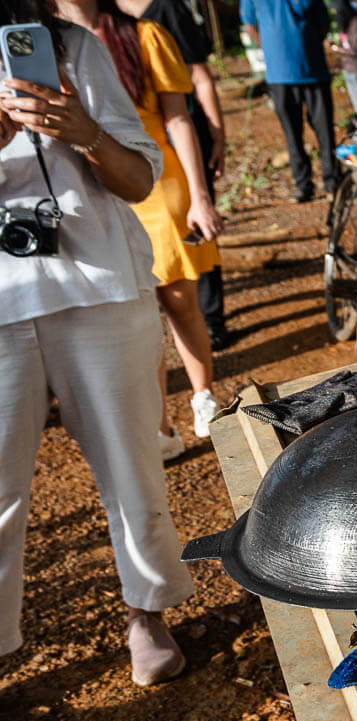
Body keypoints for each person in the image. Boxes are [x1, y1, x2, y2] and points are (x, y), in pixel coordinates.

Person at [1, 0, 196, 683]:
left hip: (101, 289)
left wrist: (84, 131)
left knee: (132, 469)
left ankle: (148, 612)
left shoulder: (72, 48)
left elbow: (140, 180)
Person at [57, 0, 226, 458]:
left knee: (178, 299)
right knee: (136, 313)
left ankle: (203, 394)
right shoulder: (45, 43)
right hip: (93, 189)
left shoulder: (145, 36)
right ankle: (159, 424)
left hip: (155, 177)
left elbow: (177, 117)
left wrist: (200, 195)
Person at [125, 0, 237, 350]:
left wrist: (217, 135)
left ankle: (212, 320)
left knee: (198, 231)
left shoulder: (166, 10)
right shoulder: (79, 25)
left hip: (185, 135)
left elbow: (200, 77)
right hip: (134, 152)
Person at [240, 0, 335, 201]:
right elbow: (249, 24)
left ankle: (332, 181)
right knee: (292, 133)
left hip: (313, 71)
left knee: (324, 129)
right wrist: (271, 49)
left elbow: (323, 22)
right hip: (280, 74)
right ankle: (303, 184)